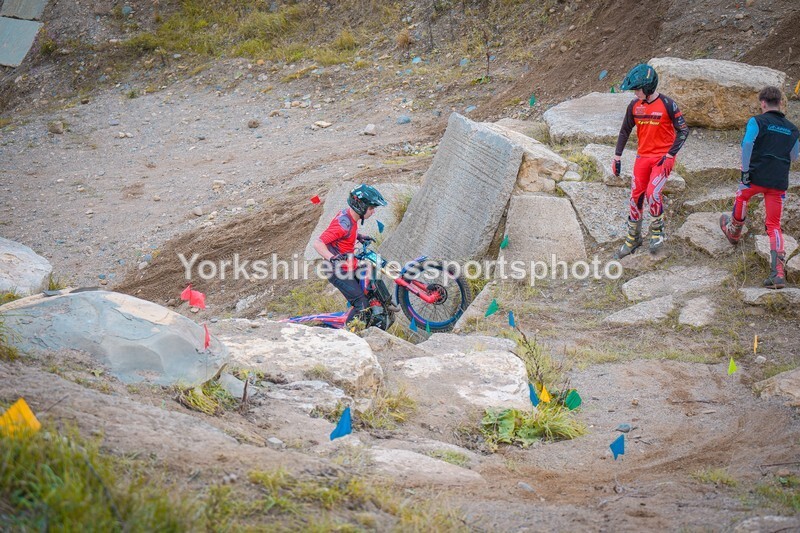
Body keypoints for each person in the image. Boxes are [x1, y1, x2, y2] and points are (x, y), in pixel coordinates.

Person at [720, 86, 799, 289]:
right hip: (778, 182)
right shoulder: (793, 129)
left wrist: (745, 172)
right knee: (774, 225)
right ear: (781, 103)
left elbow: (747, 144)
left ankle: (734, 232)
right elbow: (794, 156)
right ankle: (778, 274)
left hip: (755, 176)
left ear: (762, 103)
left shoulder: (757, 121)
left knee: (742, 197)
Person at [613, 63, 691, 259]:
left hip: (662, 158)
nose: (634, 93)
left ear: (648, 88)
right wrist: (617, 156)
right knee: (635, 196)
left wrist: (671, 155)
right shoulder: (634, 106)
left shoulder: (668, 104)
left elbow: (683, 130)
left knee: (652, 193)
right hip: (642, 157)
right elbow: (624, 131)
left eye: (637, 89)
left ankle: (657, 231)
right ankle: (633, 237)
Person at [313, 184, 387, 323]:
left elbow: (345, 233)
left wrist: (358, 236)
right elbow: (318, 243)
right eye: (371, 208)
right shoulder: (342, 224)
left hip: (349, 265)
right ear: (361, 206)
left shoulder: (350, 216)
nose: (373, 212)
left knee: (372, 288)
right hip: (336, 269)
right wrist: (332, 258)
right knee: (362, 304)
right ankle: (349, 333)